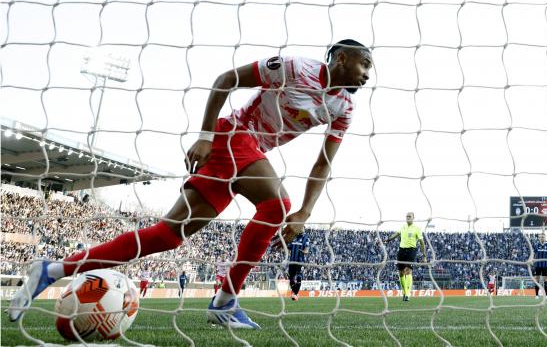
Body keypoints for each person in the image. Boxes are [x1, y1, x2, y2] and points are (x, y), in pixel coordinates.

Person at [8, 40, 372, 329]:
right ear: (341, 58)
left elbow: (324, 161)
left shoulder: (344, 108)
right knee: (276, 205)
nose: (368, 74)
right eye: (365, 64)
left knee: (167, 235)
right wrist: (206, 135)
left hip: (247, 152)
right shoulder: (295, 67)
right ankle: (226, 301)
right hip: (232, 136)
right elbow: (225, 80)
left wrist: (306, 212)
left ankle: (52, 270)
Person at [384, 212, 426, 301]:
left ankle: (407, 294)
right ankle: (404, 292)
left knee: (408, 271)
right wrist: (388, 240)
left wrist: (424, 256)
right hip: (401, 250)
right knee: (401, 273)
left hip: (411, 250)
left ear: (413, 218)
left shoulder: (417, 229)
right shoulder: (403, 227)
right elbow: (396, 234)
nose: (408, 218)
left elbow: (422, 243)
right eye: (407, 216)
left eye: (410, 216)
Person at [287, 231, 310, 301]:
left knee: (299, 277)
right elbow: (288, 247)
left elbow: (306, 250)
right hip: (292, 261)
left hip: (300, 261)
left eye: (302, 227)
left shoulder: (306, 238)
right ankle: (296, 293)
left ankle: (295, 294)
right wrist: (289, 253)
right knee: (291, 278)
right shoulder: (293, 237)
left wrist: (302, 251)